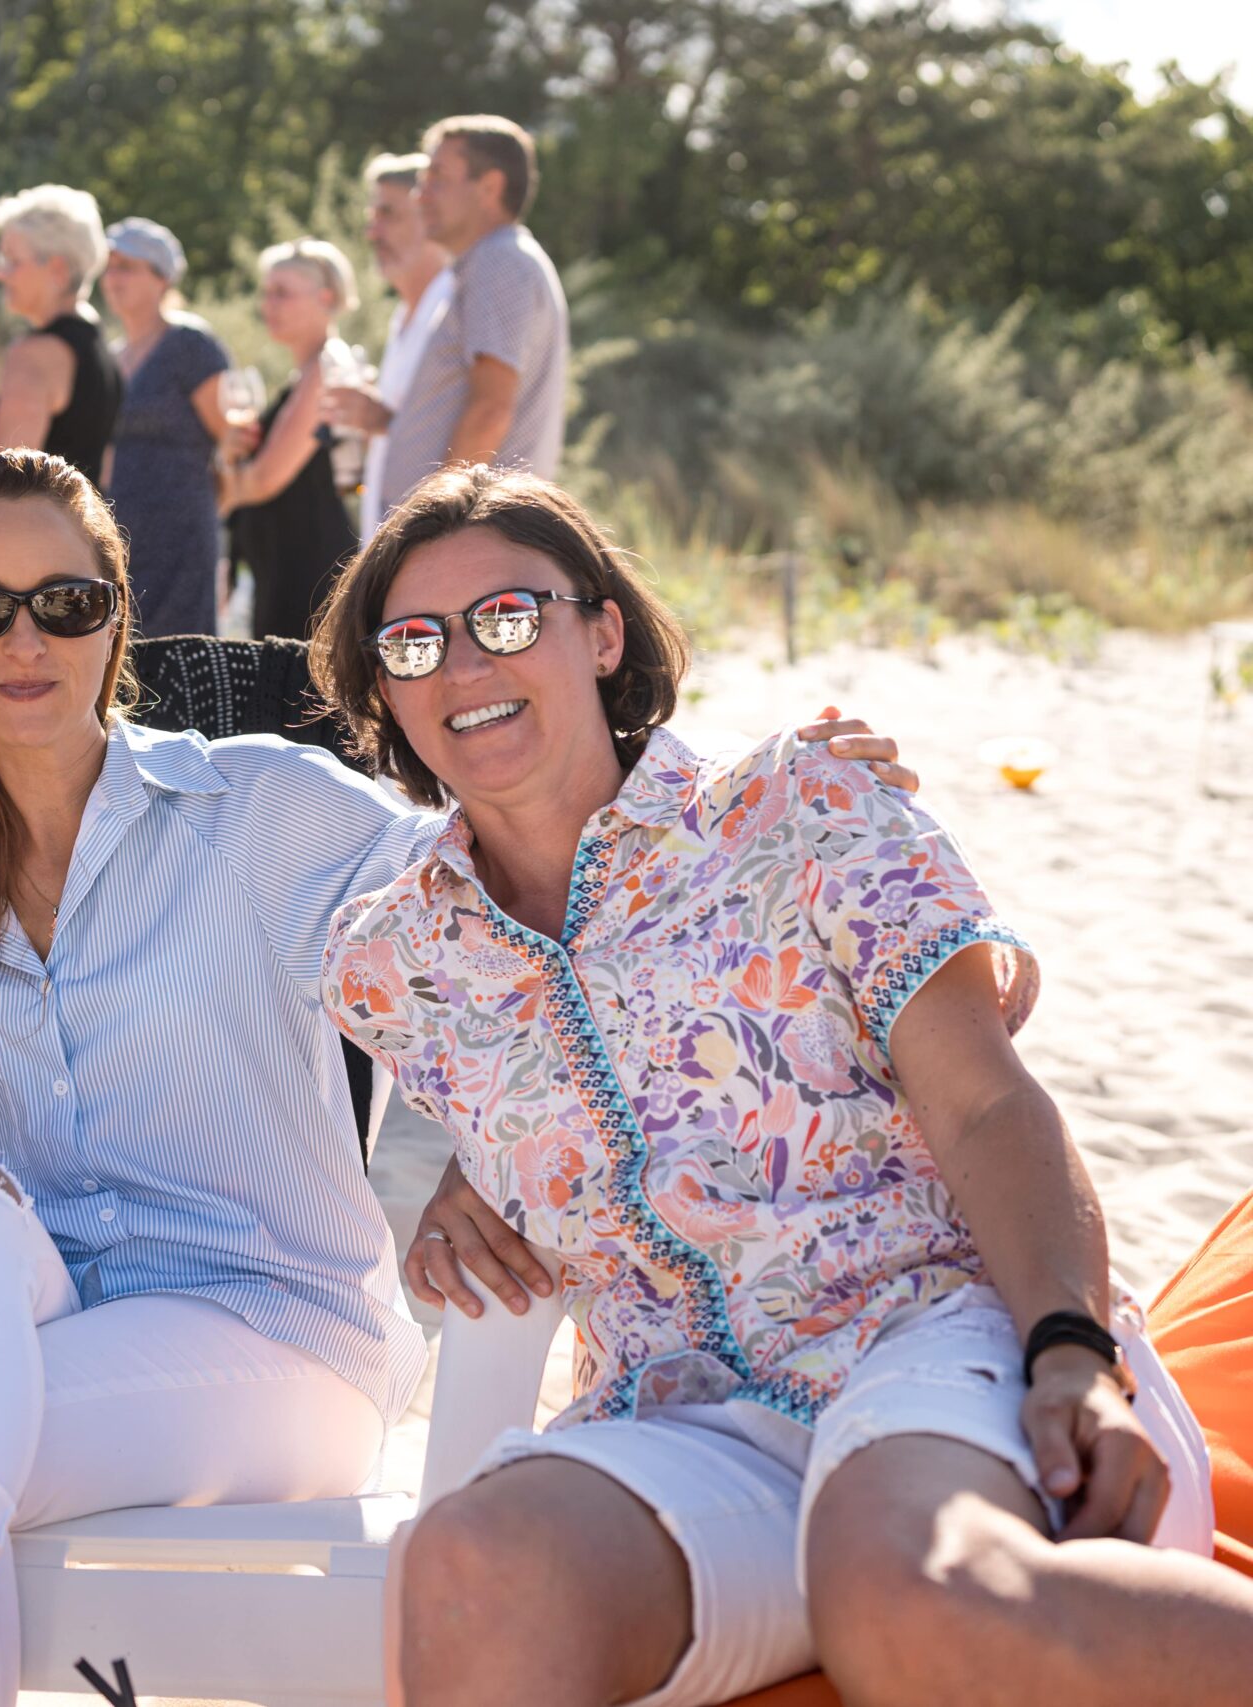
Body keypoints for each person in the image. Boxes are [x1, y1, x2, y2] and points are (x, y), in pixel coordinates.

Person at [0, 449, 914, 1706]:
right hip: (4, 1323)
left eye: (65, 603)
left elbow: (521, 877)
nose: (23, 640)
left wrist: (752, 800)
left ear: (115, 618)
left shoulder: (256, 812)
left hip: (273, 1340)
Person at [311, 466, 1253, 1706]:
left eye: (507, 617)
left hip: (924, 1335)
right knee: (475, 1566)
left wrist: (1071, 1351)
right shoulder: (391, 964)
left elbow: (984, 1102)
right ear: (385, 690)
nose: (464, 665)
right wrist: (468, 1183)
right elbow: (560, 1087)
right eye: (414, 643)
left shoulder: (802, 804)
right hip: (675, 1415)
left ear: (602, 634)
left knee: (908, 1588)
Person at [375, 115, 568, 504]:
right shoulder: (493, 260)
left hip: (471, 530)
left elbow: (489, 411)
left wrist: (437, 518)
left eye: (437, 178)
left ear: (490, 187)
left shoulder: (499, 260)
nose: (420, 196)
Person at [222, 238, 362, 643]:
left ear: (326, 297)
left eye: (282, 293)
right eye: (266, 293)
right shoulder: (308, 374)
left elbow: (265, 479)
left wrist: (218, 489)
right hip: (289, 568)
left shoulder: (328, 369)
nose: (268, 305)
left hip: (309, 574)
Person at [99, 216, 233, 637]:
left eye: (127, 267)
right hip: (121, 532)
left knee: (178, 650)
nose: (113, 278)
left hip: (181, 534)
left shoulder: (189, 345)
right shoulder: (112, 356)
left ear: (162, 279)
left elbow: (228, 436)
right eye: (109, 267)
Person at [0, 185, 122, 487]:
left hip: (37, 521)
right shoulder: (99, 347)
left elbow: (9, 491)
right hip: (85, 518)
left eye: (12, 261)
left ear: (57, 270)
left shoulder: (33, 355)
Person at [323, 151, 458, 533]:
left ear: (430, 215)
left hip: (438, 536)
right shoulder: (402, 316)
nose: (372, 233)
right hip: (395, 537)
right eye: (372, 217)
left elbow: (474, 432)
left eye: (388, 214)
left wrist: (379, 419)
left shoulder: (453, 309)